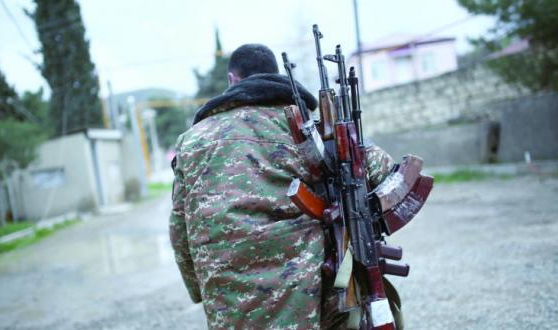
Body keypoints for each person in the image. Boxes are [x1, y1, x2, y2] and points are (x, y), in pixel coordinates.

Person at [169, 43, 396, 329]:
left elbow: (179, 230)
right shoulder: (309, 130)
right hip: (309, 297)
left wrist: (201, 288)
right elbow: (389, 176)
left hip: (227, 297)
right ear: (274, 76)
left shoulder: (192, 142)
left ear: (232, 80)